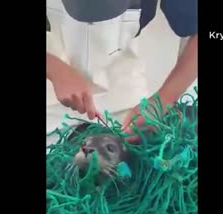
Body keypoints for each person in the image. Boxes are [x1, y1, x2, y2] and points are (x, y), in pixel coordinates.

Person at [46, 0, 197, 144]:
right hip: (50, 80)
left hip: (119, 84)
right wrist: (54, 69)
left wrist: (164, 99)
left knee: (136, 156)